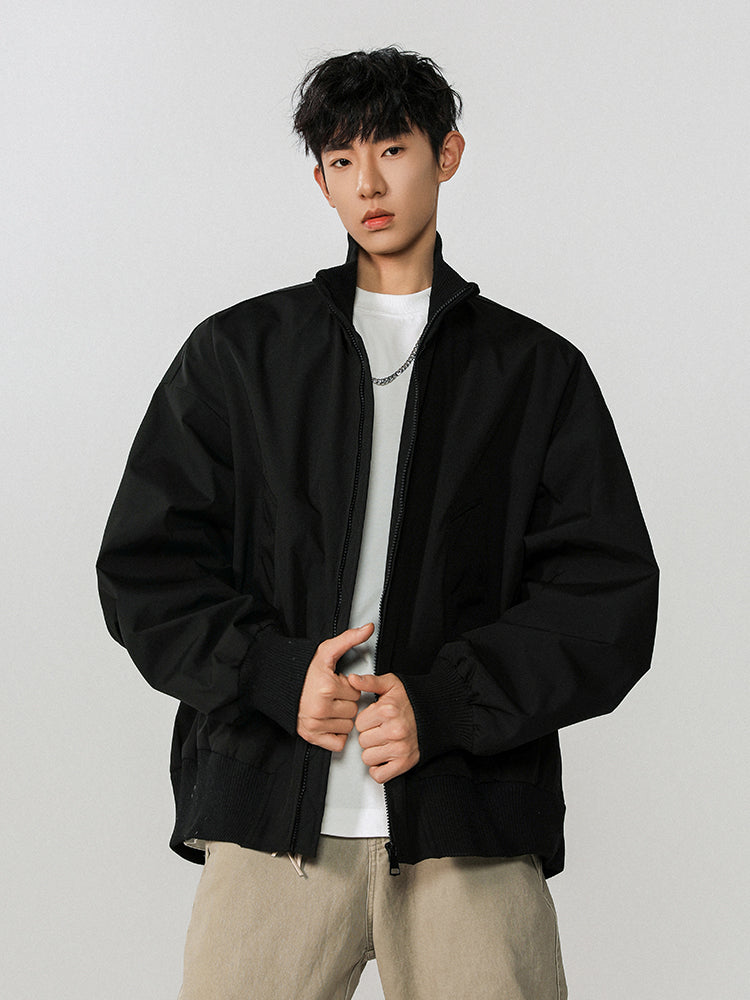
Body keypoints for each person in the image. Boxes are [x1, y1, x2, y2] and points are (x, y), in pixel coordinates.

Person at [97, 46, 658, 1000]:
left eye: (393, 150)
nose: (369, 183)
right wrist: (273, 674)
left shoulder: (535, 374)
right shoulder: (238, 356)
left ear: (447, 155)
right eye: (342, 160)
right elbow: (147, 568)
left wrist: (444, 705)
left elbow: (605, 601)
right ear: (320, 179)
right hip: (272, 822)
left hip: (468, 825)